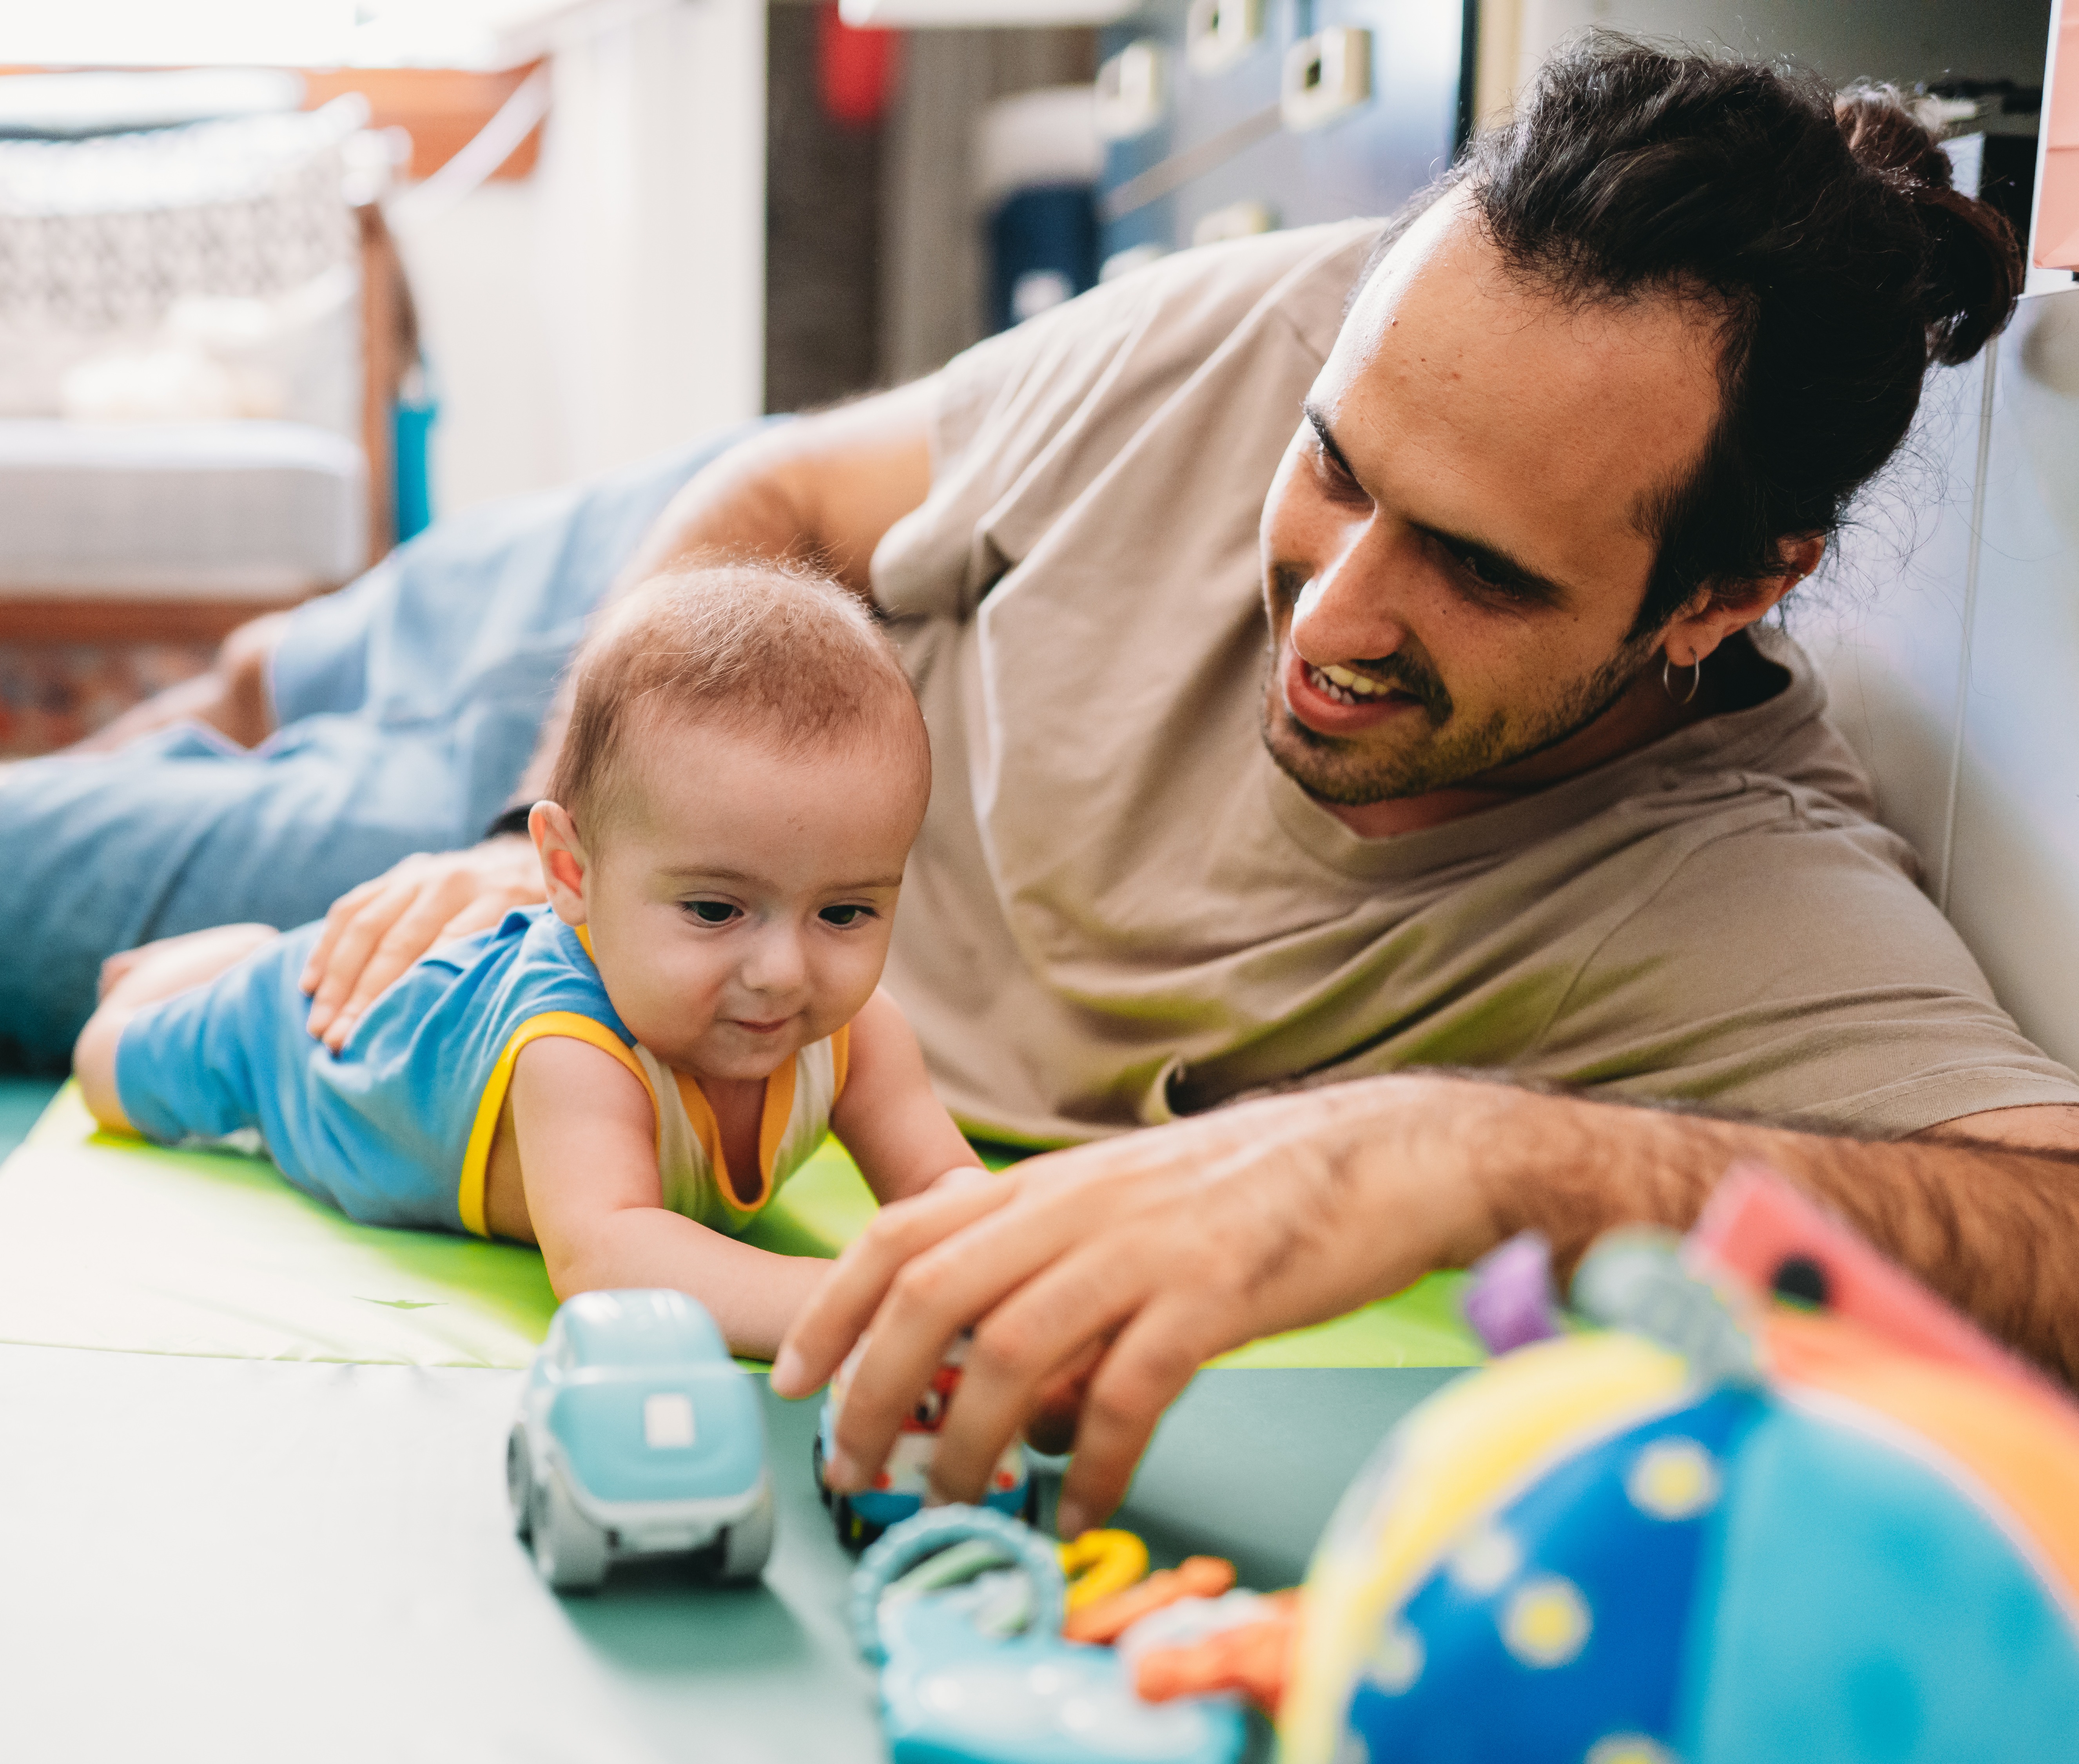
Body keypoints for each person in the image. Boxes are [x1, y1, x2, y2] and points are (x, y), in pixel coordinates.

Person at [7, 42, 2077, 1521]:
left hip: (697, 891)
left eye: (1476, 567)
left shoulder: (1740, 885)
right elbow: (797, 492)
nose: (1330, 607)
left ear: (1727, 586)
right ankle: (280, 698)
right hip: (642, 678)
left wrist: (1470, 1151)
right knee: (265, 681)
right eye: (1339, 468)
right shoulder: (1274, 321)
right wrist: (536, 867)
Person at [71, 562, 979, 1353]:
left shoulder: (859, 1034)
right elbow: (609, 1252)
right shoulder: (574, 1048)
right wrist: (871, 1304)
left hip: (431, 994)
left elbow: (945, 1188)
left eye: (846, 912)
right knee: (111, 1073)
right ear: (568, 873)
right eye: (714, 909)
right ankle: (204, 966)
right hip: (316, 1032)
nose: (784, 970)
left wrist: (1000, 1278)